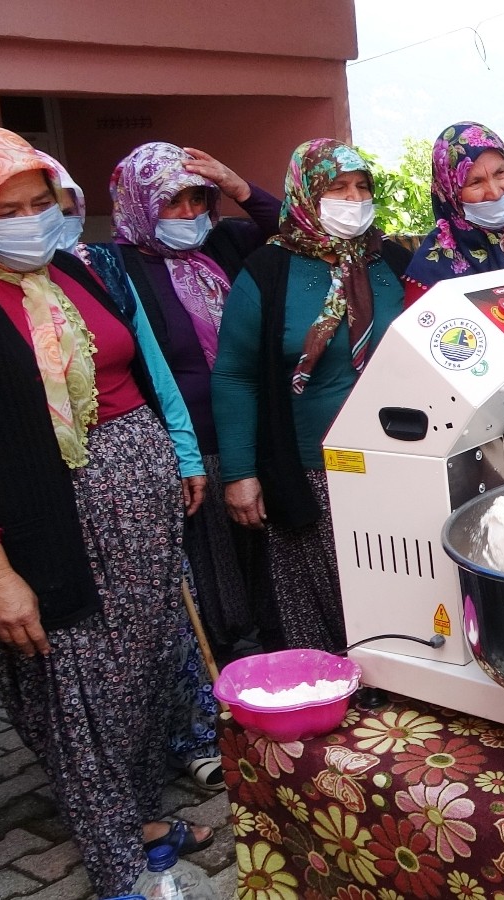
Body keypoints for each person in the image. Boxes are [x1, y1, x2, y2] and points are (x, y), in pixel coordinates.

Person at [0, 125, 215, 896]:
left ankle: (138, 819)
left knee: (140, 676)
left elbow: (134, 366)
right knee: (80, 696)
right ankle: (119, 871)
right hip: (52, 527)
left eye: (43, 201)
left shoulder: (74, 270)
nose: (32, 219)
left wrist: (174, 455)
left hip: (138, 510)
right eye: (7, 209)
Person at [212, 139, 409, 652]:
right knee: (328, 607)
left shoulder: (387, 260)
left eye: (362, 187)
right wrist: (238, 473)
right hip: (311, 471)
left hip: (398, 462)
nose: (354, 198)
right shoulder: (268, 271)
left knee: (402, 591)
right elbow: (235, 375)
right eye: (337, 188)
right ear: (305, 194)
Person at [93, 141, 281, 664]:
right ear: (138, 204)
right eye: (172, 203)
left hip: (252, 434)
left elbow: (291, 232)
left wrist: (237, 186)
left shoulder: (225, 246)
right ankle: (224, 673)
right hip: (189, 447)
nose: (190, 214)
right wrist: (178, 455)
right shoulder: (114, 270)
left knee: (269, 559)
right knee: (213, 567)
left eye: (199, 199)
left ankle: (275, 655)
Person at [404, 121, 504, 301]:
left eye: (500, 173)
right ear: (450, 193)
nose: (495, 193)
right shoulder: (433, 265)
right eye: (475, 183)